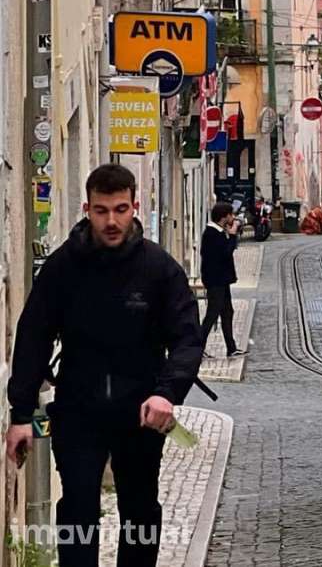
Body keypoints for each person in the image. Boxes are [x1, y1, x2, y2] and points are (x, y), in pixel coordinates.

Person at [4, 164, 204, 567]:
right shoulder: (63, 268)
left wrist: (167, 393)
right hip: (79, 408)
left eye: (120, 209)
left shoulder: (160, 269)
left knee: (140, 511)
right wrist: (21, 413)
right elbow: (33, 337)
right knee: (78, 508)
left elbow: (186, 339)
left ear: (134, 207)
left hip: (142, 411)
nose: (111, 220)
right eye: (101, 210)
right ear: (86, 209)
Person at [200, 202, 246, 358]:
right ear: (224, 217)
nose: (233, 218)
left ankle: (231, 348)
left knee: (227, 312)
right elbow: (225, 253)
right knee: (212, 314)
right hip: (215, 281)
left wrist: (230, 235)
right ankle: (197, 349)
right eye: (231, 215)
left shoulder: (218, 232)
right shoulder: (212, 234)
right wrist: (232, 235)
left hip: (221, 280)